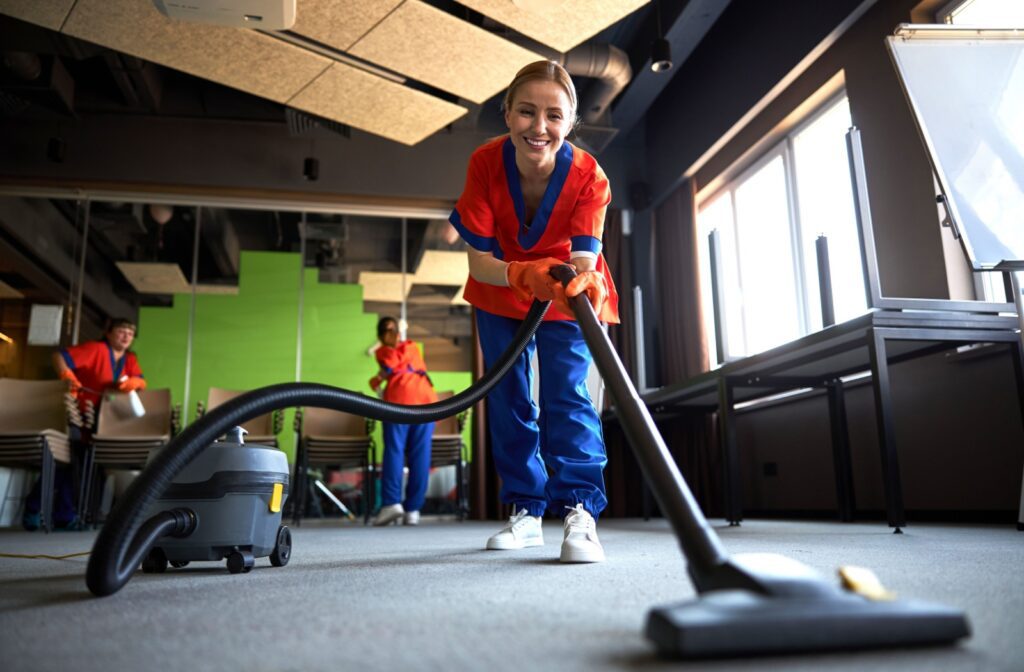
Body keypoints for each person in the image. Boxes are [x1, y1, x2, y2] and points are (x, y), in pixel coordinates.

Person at [448, 60, 619, 563]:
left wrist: (571, 278)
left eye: (553, 115)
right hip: (501, 288)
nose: (538, 127)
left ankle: (580, 510)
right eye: (526, 112)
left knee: (567, 394)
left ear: (570, 123)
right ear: (506, 113)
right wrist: (522, 274)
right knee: (508, 396)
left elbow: (584, 255)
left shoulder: (590, 176)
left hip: (567, 291)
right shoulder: (484, 163)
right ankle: (526, 509)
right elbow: (480, 262)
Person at [22, 318, 146, 530]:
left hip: (105, 421)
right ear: (108, 332)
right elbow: (59, 356)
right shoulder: (95, 349)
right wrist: (66, 374)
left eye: (130, 332)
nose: (126, 336)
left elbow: (140, 379)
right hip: (78, 415)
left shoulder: (129, 358)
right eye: (121, 331)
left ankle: (64, 515)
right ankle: (39, 509)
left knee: (82, 466)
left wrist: (134, 383)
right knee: (68, 463)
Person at [369, 317, 438, 526]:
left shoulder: (383, 352)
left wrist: (377, 379)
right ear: (398, 333)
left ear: (380, 336)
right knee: (420, 454)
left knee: (395, 451)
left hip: (398, 402)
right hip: (426, 401)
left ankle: (391, 504)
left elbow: (390, 365)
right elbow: (398, 363)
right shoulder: (411, 347)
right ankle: (413, 510)